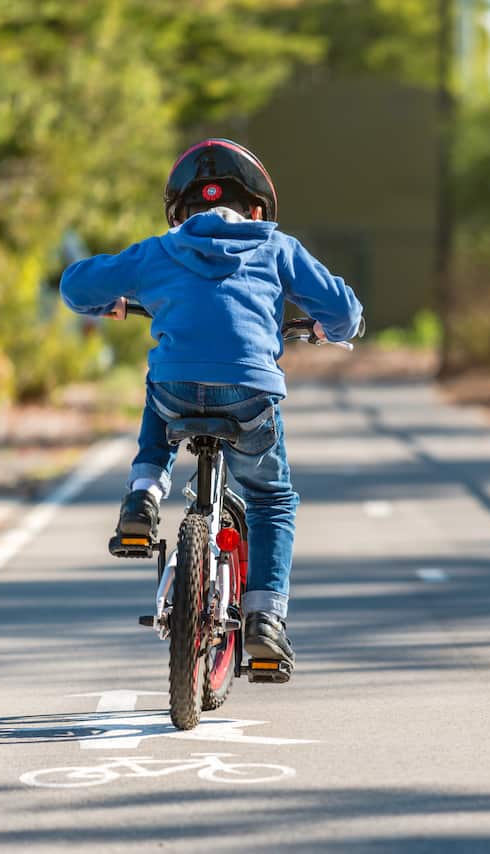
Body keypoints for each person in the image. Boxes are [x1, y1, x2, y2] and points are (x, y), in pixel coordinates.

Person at [59, 138, 364, 674]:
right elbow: (343, 310)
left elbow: (75, 285)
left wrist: (111, 300)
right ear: (257, 209)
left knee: (161, 384)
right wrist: (328, 328)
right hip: (250, 394)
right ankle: (265, 621)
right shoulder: (276, 246)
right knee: (271, 499)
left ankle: (143, 496)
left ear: (181, 212)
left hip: (177, 391)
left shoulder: (160, 250)